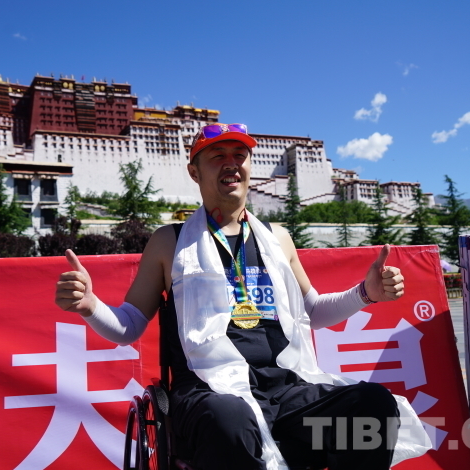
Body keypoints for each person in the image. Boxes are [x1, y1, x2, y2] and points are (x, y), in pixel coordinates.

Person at [55, 123, 429, 470]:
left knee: (372, 408)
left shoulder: (277, 238)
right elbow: (129, 325)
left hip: (286, 390)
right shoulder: (169, 241)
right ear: (194, 172)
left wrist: (366, 293)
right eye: (217, 156)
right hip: (207, 390)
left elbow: (312, 311)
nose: (231, 163)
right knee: (231, 419)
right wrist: (90, 306)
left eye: (240, 155)